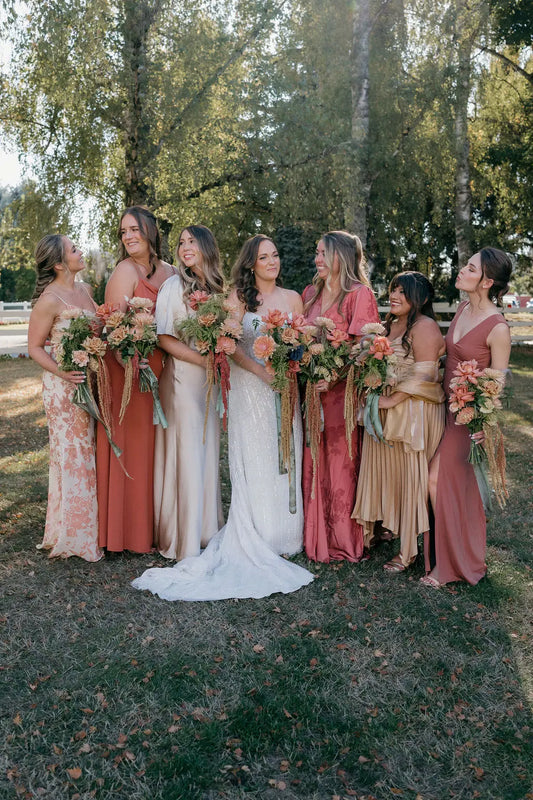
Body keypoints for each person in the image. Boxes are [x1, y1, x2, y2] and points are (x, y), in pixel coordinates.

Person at [132, 234, 314, 600]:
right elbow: (229, 346)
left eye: (276, 254)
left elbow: (302, 342)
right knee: (255, 457)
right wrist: (261, 372)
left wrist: (291, 366)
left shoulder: (294, 298)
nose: (273, 261)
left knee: (286, 453)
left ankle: (287, 533)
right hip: (249, 388)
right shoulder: (236, 298)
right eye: (264, 257)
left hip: (283, 388)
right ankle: (258, 532)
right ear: (250, 263)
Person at [422, 248, 512, 588]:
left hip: (468, 418)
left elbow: (497, 383)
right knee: (454, 487)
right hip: (443, 408)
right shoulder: (461, 309)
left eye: (470, 268)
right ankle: (453, 556)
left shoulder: (497, 327)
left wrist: (479, 420)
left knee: (437, 481)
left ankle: (450, 567)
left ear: (487, 281)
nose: (462, 270)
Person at [353, 272, 445, 571]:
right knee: (386, 474)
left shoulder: (425, 326)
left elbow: (426, 374)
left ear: (423, 299)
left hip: (413, 413)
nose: (394, 295)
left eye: (404, 292)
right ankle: (385, 527)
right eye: (393, 289)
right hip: (384, 411)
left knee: (409, 480)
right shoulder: (390, 325)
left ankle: (409, 551)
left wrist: (391, 400)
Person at [96, 206, 176, 553]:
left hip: (163, 368)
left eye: (134, 230)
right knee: (132, 449)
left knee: (155, 450)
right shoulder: (123, 271)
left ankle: (155, 525)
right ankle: (124, 533)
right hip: (127, 372)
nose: (128, 236)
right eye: (123, 231)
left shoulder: (172, 272)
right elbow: (111, 327)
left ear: (150, 232)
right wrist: (130, 360)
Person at [302, 230, 380, 563]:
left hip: (341, 396)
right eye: (316, 252)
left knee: (340, 463)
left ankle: (342, 541)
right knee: (311, 459)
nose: (317, 259)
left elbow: (365, 346)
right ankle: (311, 533)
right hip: (309, 393)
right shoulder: (309, 294)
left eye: (323, 253)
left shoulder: (359, 295)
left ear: (341, 257)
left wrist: (333, 376)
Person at [27, 234, 102, 562]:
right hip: (63, 387)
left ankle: (91, 527)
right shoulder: (50, 299)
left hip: (91, 380)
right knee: (73, 456)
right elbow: (34, 347)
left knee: (91, 453)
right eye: (74, 249)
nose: (80, 251)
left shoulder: (85, 290)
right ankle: (76, 536)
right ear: (59, 263)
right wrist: (62, 372)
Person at [153, 224, 225, 560]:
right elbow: (165, 338)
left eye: (191, 241)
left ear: (207, 246)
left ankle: (208, 530)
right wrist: (202, 360)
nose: (184, 247)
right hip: (182, 379)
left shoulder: (219, 290)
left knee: (207, 450)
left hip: (209, 384)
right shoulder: (172, 286)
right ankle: (183, 536)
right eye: (180, 242)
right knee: (187, 453)